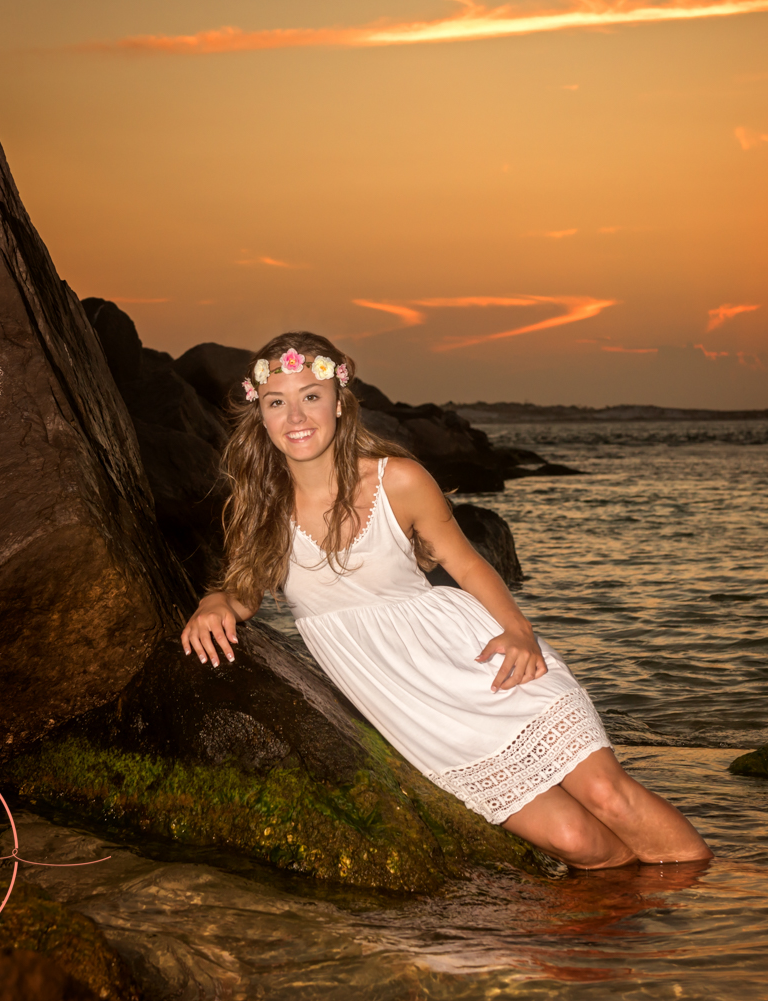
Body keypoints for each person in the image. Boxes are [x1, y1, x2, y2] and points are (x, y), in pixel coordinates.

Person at [181, 333, 712, 868]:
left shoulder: (400, 480)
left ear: (339, 403)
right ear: (262, 416)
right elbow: (245, 587)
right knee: (577, 841)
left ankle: (717, 920)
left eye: (311, 396)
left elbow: (468, 564)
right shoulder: (262, 507)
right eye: (277, 402)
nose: (296, 414)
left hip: (482, 662)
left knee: (608, 797)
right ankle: (640, 932)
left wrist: (520, 632)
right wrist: (215, 603)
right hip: (416, 709)